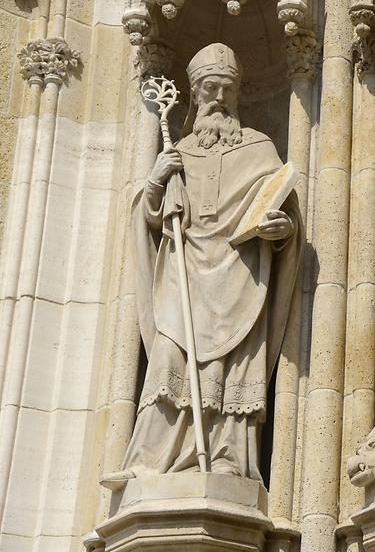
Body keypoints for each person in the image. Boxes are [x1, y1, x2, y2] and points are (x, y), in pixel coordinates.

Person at [102, 43, 301, 486]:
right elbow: (150, 221)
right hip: (185, 274)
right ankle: (149, 462)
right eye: (210, 88)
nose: (218, 98)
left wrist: (281, 229)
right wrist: (156, 181)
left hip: (242, 275)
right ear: (194, 93)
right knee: (170, 358)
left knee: (232, 369)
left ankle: (229, 461)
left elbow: (285, 213)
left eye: (227, 89)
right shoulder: (180, 153)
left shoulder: (259, 147)